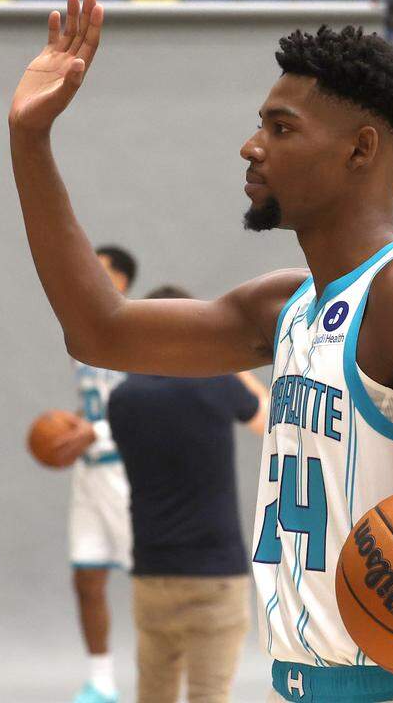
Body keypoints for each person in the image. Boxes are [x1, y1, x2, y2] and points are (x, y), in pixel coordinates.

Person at [9, 0, 393, 703]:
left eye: (281, 127)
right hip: (294, 684)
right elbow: (99, 331)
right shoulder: (285, 306)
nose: (252, 145)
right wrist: (30, 140)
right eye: (260, 123)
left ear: (360, 149)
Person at [107, 284, 268, 703]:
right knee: (209, 694)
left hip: (152, 570)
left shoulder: (122, 398)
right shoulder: (218, 384)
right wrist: (230, 365)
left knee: (153, 694)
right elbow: (267, 420)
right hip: (215, 572)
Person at [54, 244, 138, 703]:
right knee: (86, 577)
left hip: (128, 472)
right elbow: (93, 405)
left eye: (99, 270)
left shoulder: (141, 332)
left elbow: (148, 410)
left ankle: (165, 671)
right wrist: (69, 429)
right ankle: (101, 681)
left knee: (151, 581)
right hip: (89, 475)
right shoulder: (80, 336)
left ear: (121, 280)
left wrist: (96, 432)